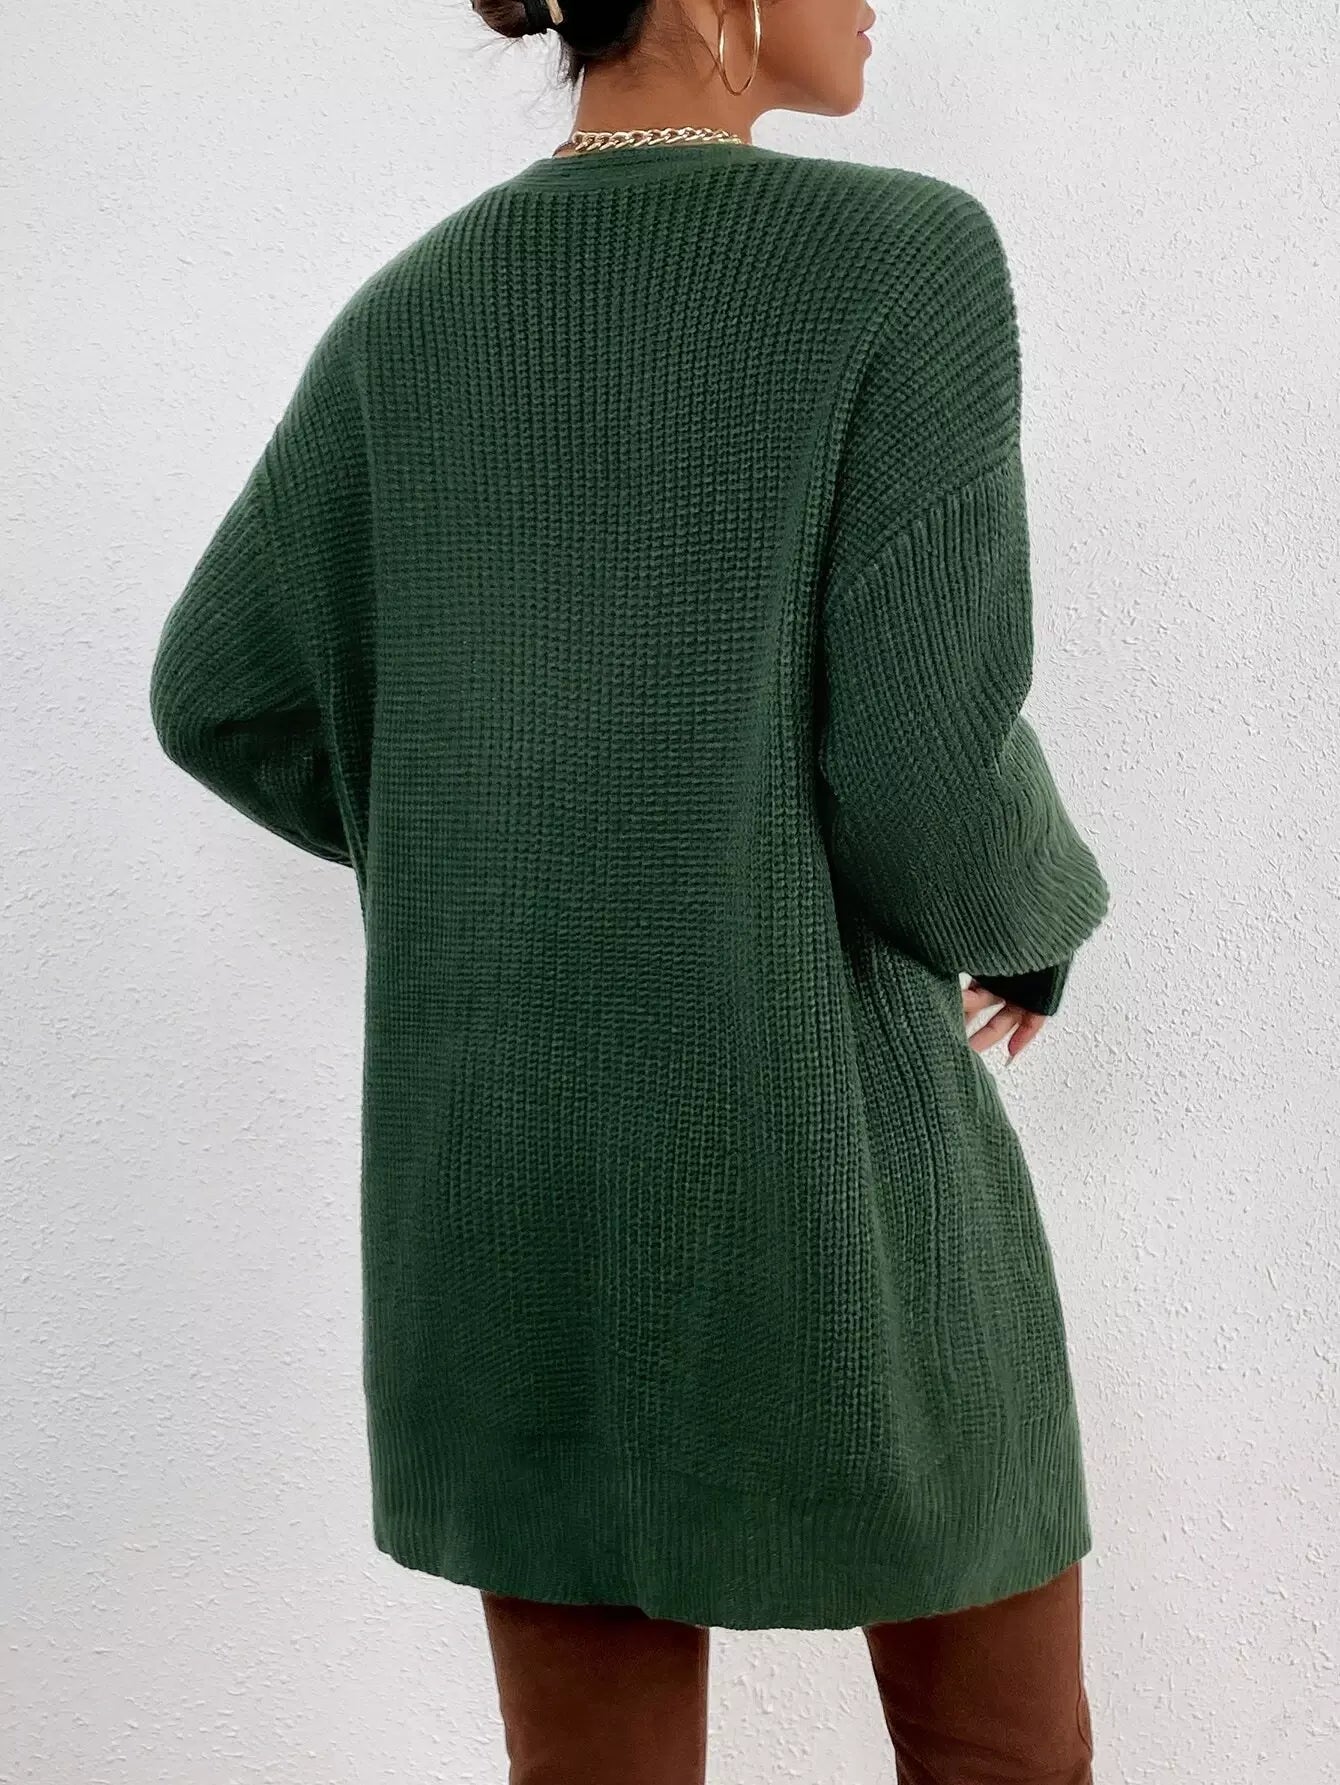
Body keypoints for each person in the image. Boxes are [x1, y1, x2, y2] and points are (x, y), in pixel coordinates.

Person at [147, 0, 1111, 1777]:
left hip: (510, 1198)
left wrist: (506, 835)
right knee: (1003, 1756)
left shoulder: (408, 317)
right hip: (829, 1177)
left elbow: (220, 692)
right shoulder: (903, 257)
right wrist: (1037, 912)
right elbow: (924, 770)